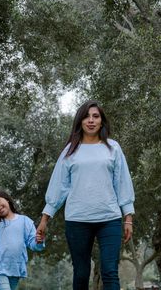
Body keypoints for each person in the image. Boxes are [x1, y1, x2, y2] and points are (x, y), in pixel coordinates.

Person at [36, 100, 135, 290]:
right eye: (86, 117)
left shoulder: (113, 148)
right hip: (77, 220)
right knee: (81, 273)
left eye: (95, 116)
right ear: (80, 121)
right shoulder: (70, 151)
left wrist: (128, 218)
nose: (91, 120)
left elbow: (122, 183)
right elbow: (59, 186)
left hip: (109, 219)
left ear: (101, 121)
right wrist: (44, 219)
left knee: (110, 271)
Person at [0, 188, 45, 290]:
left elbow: (33, 244)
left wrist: (39, 241)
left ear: (6, 199)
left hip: (15, 269)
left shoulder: (24, 221)